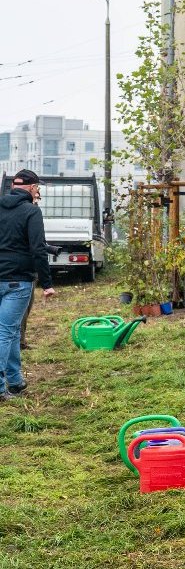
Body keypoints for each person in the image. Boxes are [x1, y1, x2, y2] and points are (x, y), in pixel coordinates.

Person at [0, 170, 55, 398]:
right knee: (4, 332)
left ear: (13, 186)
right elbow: (38, 249)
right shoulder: (31, 212)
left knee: (10, 331)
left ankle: (15, 381)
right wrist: (47, 283)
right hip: (18, 280)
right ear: (32, 188)